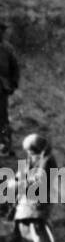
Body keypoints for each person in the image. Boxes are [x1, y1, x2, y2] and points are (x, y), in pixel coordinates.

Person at [13, 133, 57, 242]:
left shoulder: (48, 160)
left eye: (32, 151)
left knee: (38, 234)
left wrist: (22, 180)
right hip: (25, 204)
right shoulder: (30, 160)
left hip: (37, 202)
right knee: (25, 234)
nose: (30, 154)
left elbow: (40, 180)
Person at [0, 22, 18, 156]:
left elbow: (15, 68)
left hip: (2, 88)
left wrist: (13, 84)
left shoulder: (8, 49)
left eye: (2, 31)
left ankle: (6, 146)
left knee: (3, 117)